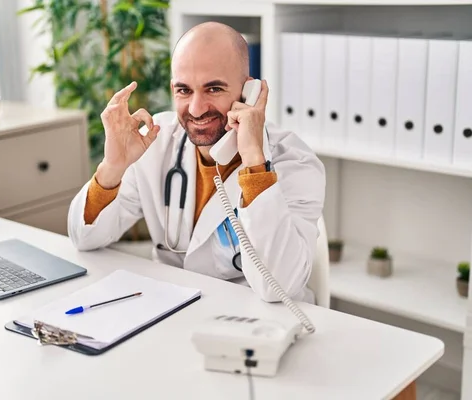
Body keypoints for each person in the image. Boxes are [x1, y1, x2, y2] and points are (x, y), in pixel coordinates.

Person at [67, 22, 325, 303]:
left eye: (213, 89)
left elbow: (279, 289)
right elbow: (84, 238)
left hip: (258, 321)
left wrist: (253, 161)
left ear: (248, 91)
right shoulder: (155, 142)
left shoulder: (294, 163)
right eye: (184, 90)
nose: (196, 108)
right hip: (172, 309)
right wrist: (112, 166)